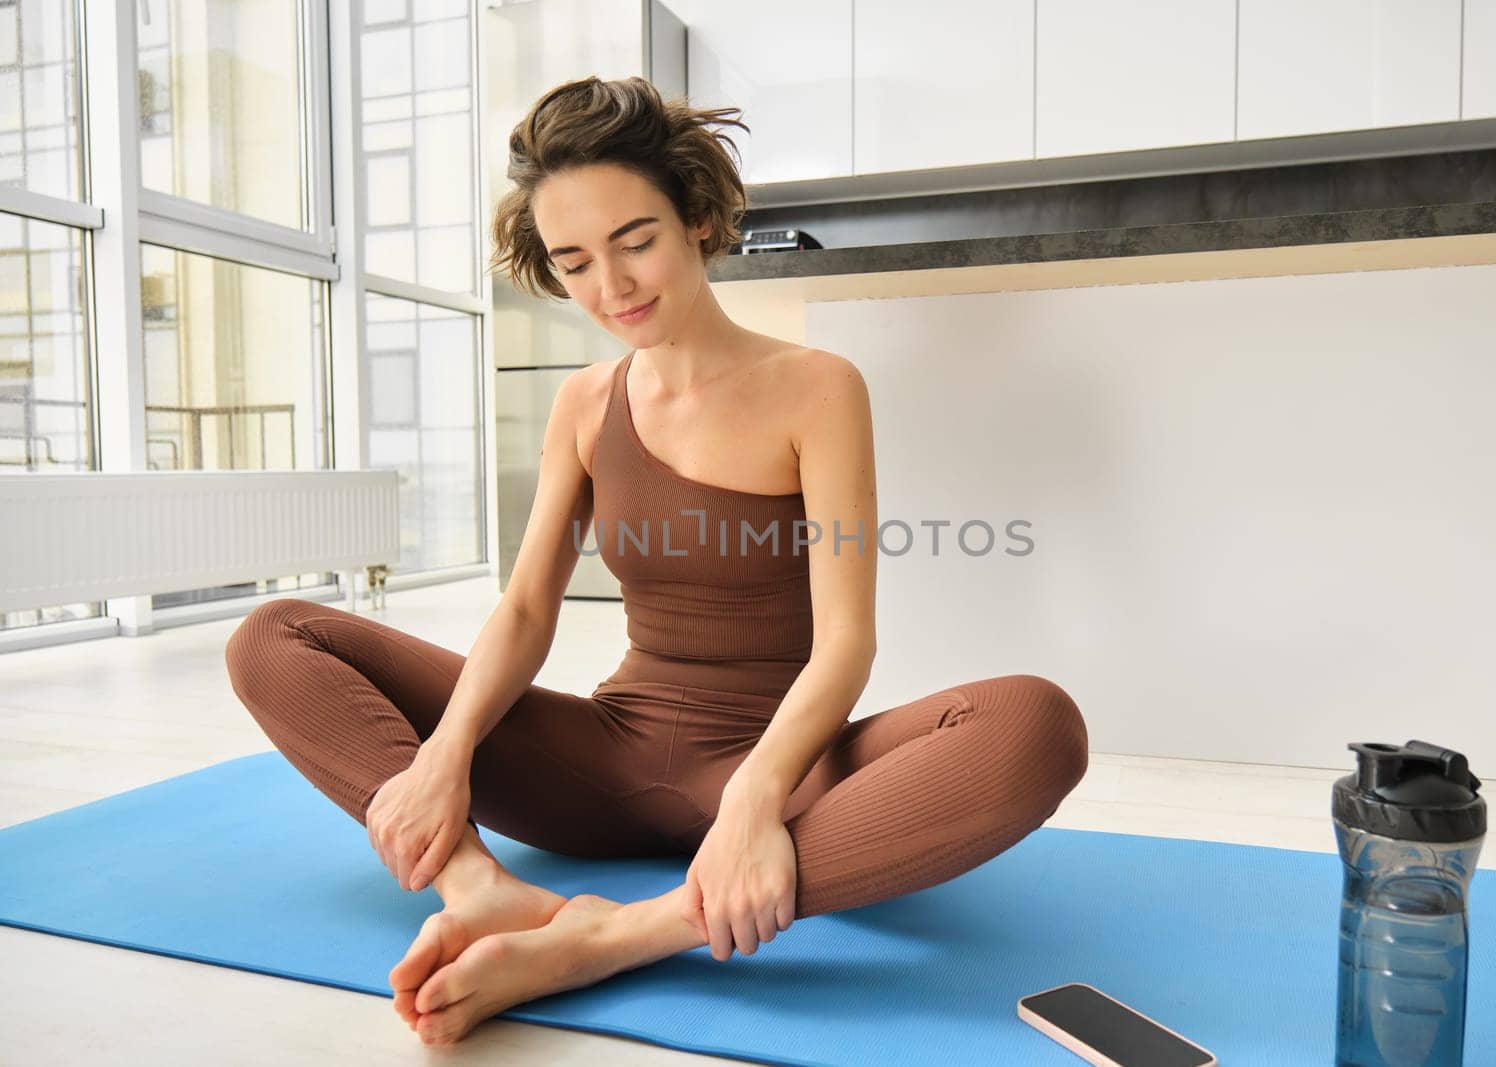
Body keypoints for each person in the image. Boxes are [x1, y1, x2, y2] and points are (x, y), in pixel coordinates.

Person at [223, 74, 1089, 1048]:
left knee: (1035, 724)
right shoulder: (586, 404)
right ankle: (483, 892)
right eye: (575, 261)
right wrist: (444, 757)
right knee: (274, 635)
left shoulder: (815, 388)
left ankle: (609, 937)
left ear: (697, 219)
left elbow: (846, 640)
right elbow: (524, 609)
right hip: (607, 759)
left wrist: (757, 799)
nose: (613, 286)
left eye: (635, 240)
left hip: (781, 770)